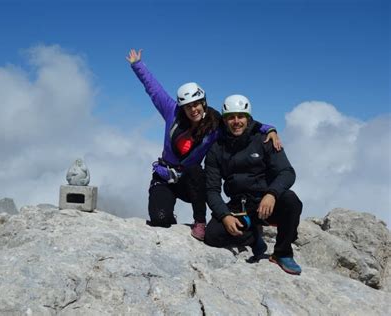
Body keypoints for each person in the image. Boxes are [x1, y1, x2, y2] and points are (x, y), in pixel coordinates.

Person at [126, 49, 281, 241]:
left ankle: (199, 221)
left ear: (204, 102)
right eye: (189, 106)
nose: (193, 109)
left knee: (195, 170)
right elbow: (153, 89)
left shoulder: (216, 122)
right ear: (182, 107)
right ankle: (169, 214)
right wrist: (137, 65)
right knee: (160, 220)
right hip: (164, 178)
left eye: (197, 103)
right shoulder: (171, 112)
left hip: (191, 183)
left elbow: (240, 123)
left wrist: (269, 129)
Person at [204, 94, 303, 275]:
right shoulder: (216, 148)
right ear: (224, 120)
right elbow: (211, 189)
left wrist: (272, 194)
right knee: (212, 236)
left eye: (241, 116)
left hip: (264, 203)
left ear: (248, 118)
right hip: (239, 206)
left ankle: (282, 253)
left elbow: (287, 172)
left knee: (291, 201)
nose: (236, 121)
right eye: (231, 117)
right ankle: (252, 237)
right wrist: (225, 216)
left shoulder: (264, 139)